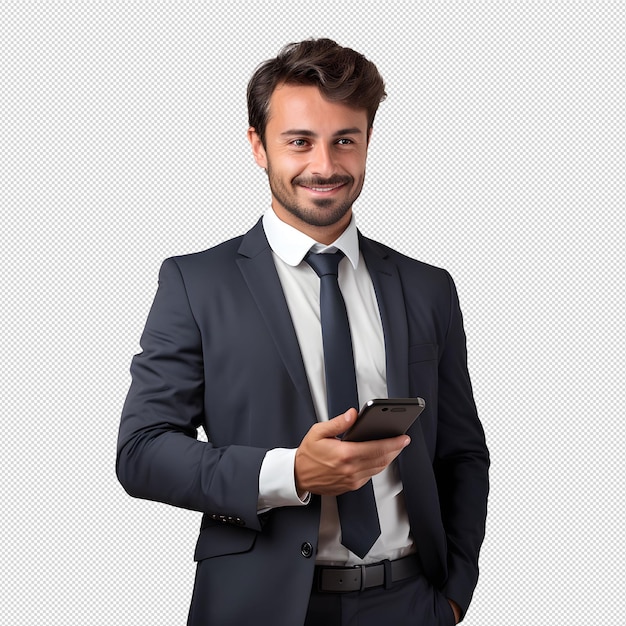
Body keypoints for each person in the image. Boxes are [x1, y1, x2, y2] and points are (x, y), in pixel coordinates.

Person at [117, 38, 489, 626]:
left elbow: (462, 453)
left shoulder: (428, 287)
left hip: (411, 602)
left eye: (346, 139)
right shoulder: (196, 283)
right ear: (257, 146)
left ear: (368, 142)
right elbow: (141, 453)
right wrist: (289, 473)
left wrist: (453, 595)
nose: (325, 165)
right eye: (299, 141)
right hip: (259, 606)